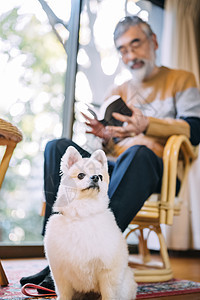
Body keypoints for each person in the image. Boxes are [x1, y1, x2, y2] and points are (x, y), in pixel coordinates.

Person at [20, 16, 200, 292]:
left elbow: (196, 129)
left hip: (156, 169)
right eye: (123, 50)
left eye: (135, 45)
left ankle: (102, 257)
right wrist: (104, 137)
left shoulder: (181, 79)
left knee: (138, 152)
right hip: (115, 167)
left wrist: (147, 126)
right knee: (55, 146)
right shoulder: (119, 90)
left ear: (153, 42)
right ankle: (56, 258)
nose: (130, 55)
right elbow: (103, 155)